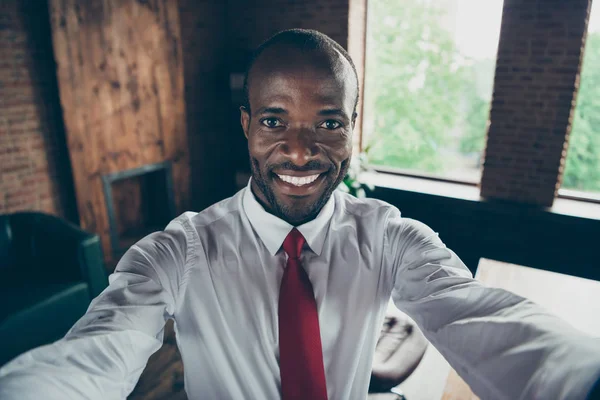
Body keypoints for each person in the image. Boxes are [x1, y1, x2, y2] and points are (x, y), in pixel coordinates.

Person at [1, 29, 599, 400]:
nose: (297, 148)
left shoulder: (390, 238)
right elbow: (97, 351)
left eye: (328, 122)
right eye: (274, 120)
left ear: (351, 129)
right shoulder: (178, 252)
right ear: (246, 125)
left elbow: (480, 316)